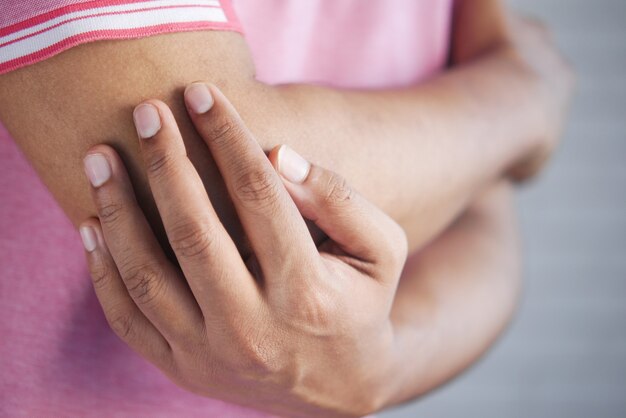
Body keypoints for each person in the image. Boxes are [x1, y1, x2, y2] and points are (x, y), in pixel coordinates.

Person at [0, 0, 574, 416]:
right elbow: (220, 203)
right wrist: (523, 102)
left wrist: (383, 367)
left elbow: (478, 204)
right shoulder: (523, 89)